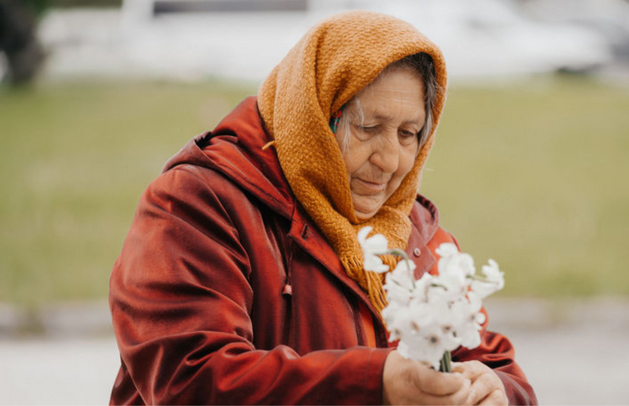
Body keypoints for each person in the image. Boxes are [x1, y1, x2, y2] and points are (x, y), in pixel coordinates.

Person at [109, 10, 537, 405]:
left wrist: (499, 389)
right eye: (369, 128)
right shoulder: (197, 204)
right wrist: (375, 383)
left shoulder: (413, 231)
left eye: (409, 134)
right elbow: (192, 379)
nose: (389, 161)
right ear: (313, 119)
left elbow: (486, 358)